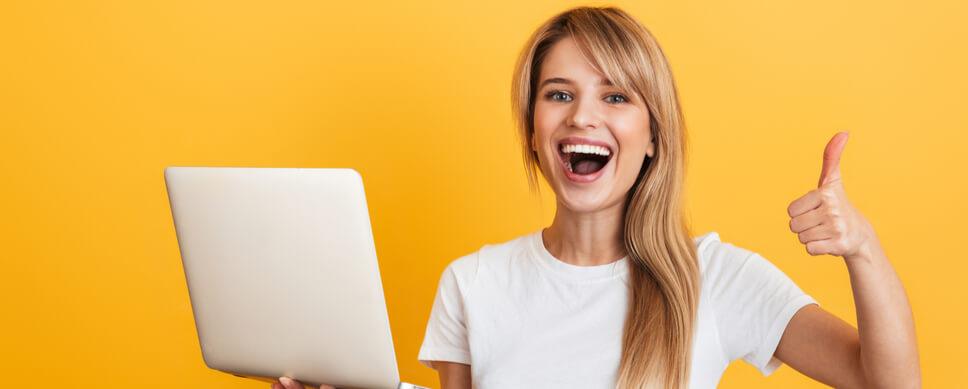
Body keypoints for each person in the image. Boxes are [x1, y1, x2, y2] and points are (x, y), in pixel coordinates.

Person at [276, 5, 919, 389]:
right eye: (559, 94)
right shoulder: (472, 283)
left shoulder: (718, 279)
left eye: (615, 97)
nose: (583, 116)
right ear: (533, 132)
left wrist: (862, 249)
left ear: (651, 136)